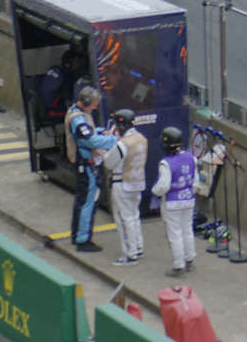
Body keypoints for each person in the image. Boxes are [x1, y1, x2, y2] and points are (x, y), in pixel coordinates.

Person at [65, 85, 117, 252]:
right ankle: (83, 239)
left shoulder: (78, 113)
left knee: (82, 201)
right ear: (86, 102)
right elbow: (90, 140)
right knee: (88, 201)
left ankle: (77, 235)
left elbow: (91, 132)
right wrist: (115, 140)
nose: (95, 108)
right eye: (94, 105)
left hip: (85, 163)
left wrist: (101, 132)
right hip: (86, 164)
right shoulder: (78, 119)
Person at [151, 125, 198, 275]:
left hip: (172, 203)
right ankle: (190, 259)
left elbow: (163, 186)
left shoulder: (166, 163)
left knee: (175, 234)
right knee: (187, 230)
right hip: (189, 199)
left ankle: (179, 266)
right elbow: (195, 182)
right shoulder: (191, 158)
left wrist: (154, 191)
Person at [106, 107, 148, 267]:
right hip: (138, 181)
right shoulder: (142, 138)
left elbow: (108, 163)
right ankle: (138, 247)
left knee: (124, 219)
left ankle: (130, 253)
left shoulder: (122, 144)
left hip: (121, 182)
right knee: (134, 216)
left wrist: (105, 153)